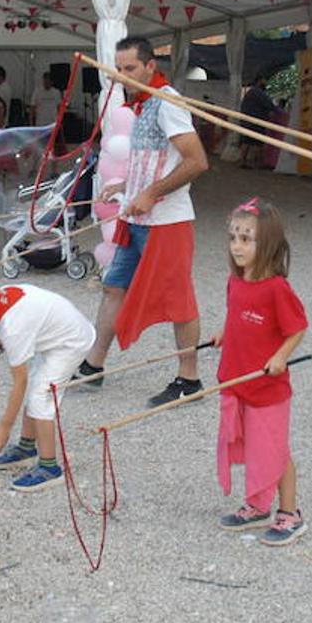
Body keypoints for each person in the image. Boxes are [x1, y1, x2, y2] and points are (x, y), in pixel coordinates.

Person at [73, 36, 209, 407]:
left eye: (130, 68)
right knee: (114, 287)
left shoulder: (168, 102)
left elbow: (197, 162)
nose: (123, 76)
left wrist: (151, 194)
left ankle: (189, 379)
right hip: (137, 221)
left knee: (179, 300)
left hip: (167, 222)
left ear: (150, 66)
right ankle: (93, 366)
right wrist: (127, 185)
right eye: (119, 69)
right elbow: (154, 160)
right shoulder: (144, 102)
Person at [0, 264, 95, 492]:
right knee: (37, 387)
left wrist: (5, 426)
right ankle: (26, 448)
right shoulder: (1, 295)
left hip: (70, 342)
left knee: (41, 398)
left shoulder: (13, 327)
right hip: (59, 335)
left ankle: (49, 467)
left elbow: (19, 381)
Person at [212, 197, 308, 546]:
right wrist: (226, 332)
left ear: (266, 244)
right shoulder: (236, 280)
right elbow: (237, 312)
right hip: (238, 381)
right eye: (233, 237)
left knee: (274, 450)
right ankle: (257, 505)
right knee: (253, 447)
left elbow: (297, 328)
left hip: (267, 388)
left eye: (246, 239)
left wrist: (281, 356)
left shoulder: (277, 289)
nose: (236, 246)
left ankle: (290, 513)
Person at [238, 75, 276, 170]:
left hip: (246, 120)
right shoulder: (259, 93)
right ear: (259, 81)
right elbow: (270, 105)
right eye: (264, 80)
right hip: (257, 121)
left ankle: (243, 161)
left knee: (246, 141)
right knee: (257, 143)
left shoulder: (250, 92)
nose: (266, 83)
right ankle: (258, 163)